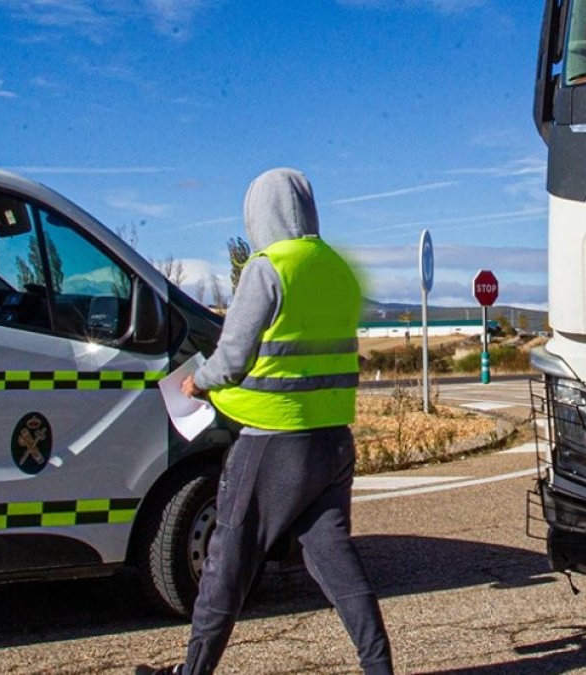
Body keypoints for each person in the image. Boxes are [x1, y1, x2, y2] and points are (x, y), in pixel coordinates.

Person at [136, 169, 392, 675]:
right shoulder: (338, 269)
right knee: (336, 563)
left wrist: (199, 382)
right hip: (332, 441)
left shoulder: (268, 267)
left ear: (258, 214)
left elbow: (232, 356)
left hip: (272, 440)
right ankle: (378, 667)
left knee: (225, 564)